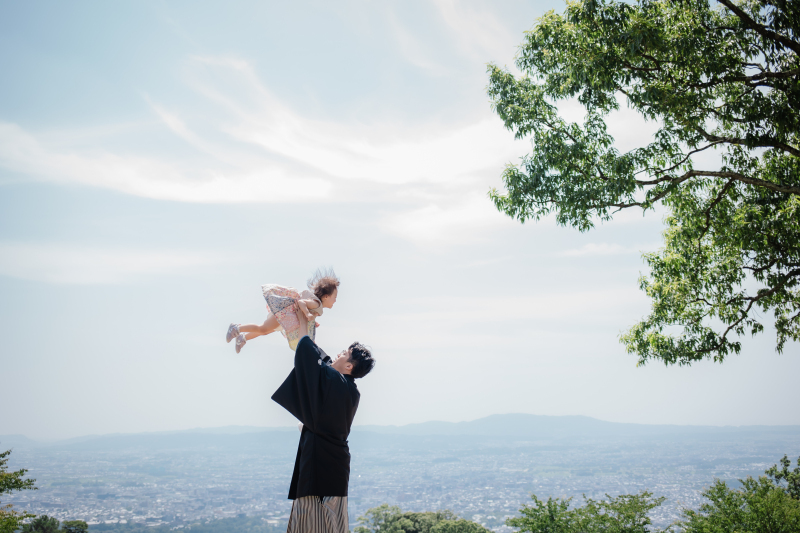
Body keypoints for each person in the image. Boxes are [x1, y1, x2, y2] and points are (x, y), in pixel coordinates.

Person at [271, 309, 375, 533]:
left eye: (344, 354)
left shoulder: (334, 381)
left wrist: (303, 321)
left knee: (310, 524)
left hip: (319, 467)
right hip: (335, 468)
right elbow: (322, 363)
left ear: (350, 367)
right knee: (333, 525)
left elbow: (308, 353)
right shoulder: (351, 391)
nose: (338, 354)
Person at [226, 270, 339, 353]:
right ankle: (236, 328)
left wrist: (311, 319)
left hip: (287, 318)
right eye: (335, 297)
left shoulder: (316, 305)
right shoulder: (317, 304)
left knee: (265, 331)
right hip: (285, 315)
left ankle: (243, 338)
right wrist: (308, 314)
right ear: (325, 297)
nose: (335, 300)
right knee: (263, 328)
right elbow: (301, 303)